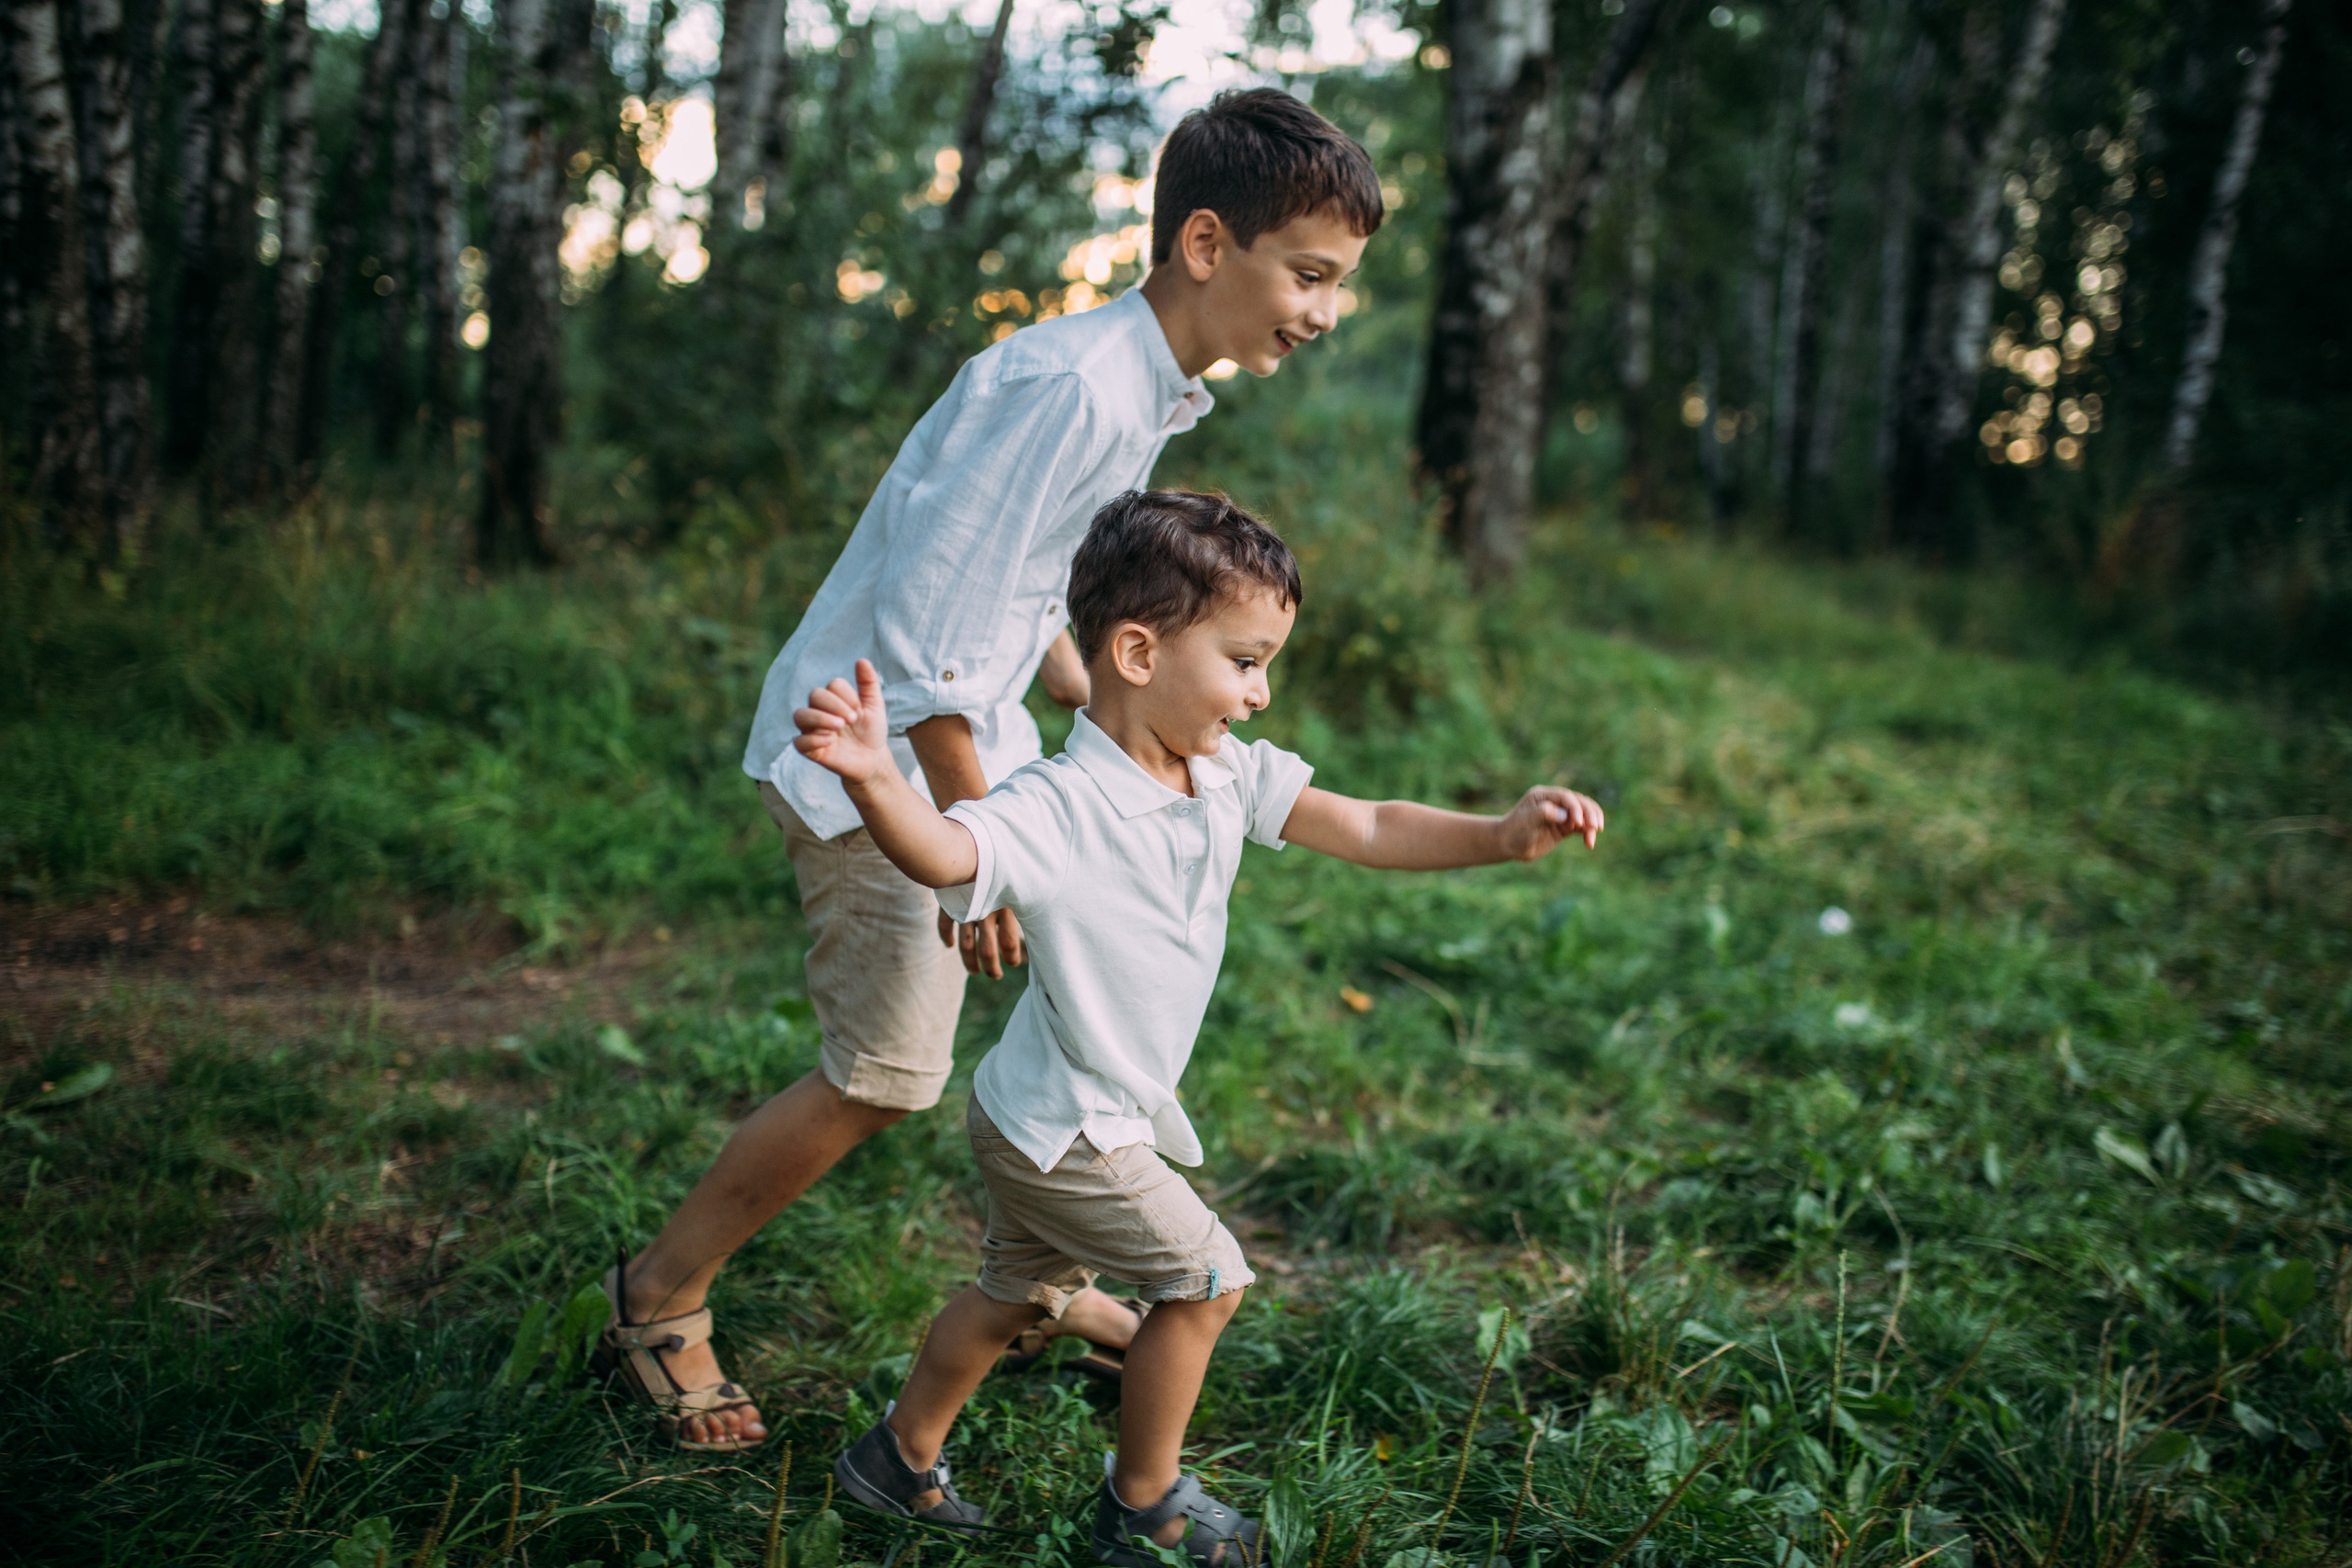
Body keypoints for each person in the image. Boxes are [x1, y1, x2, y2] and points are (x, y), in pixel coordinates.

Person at [594, 90, 1387, 1453]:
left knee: (1055, 1029)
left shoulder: (1143, 387)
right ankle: (657, 1295)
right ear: (1208, 242)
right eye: (1307, 274)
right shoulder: (1076, 389)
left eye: (1338, 284)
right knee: (887, 1070)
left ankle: (1041, 1280)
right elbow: (930, 639)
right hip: (876, 758)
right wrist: (984, 841)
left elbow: (1033, 610)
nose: (1322, 311)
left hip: (968, 756)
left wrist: (1106, 712)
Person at [797, 492, 1607, 1564]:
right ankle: (1143, 1507)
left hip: (1045, 1107)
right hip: (1069, 1127)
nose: (1261, 692)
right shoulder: (1058, 803)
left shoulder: (1223, 774)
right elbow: (948, 856)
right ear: (1137, 652)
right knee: (1204, 1280)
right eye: (1243, 660)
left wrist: (1500, 836)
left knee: (1010, 1296)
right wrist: (875, 777)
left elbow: (1365, 826)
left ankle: (893, 1461)